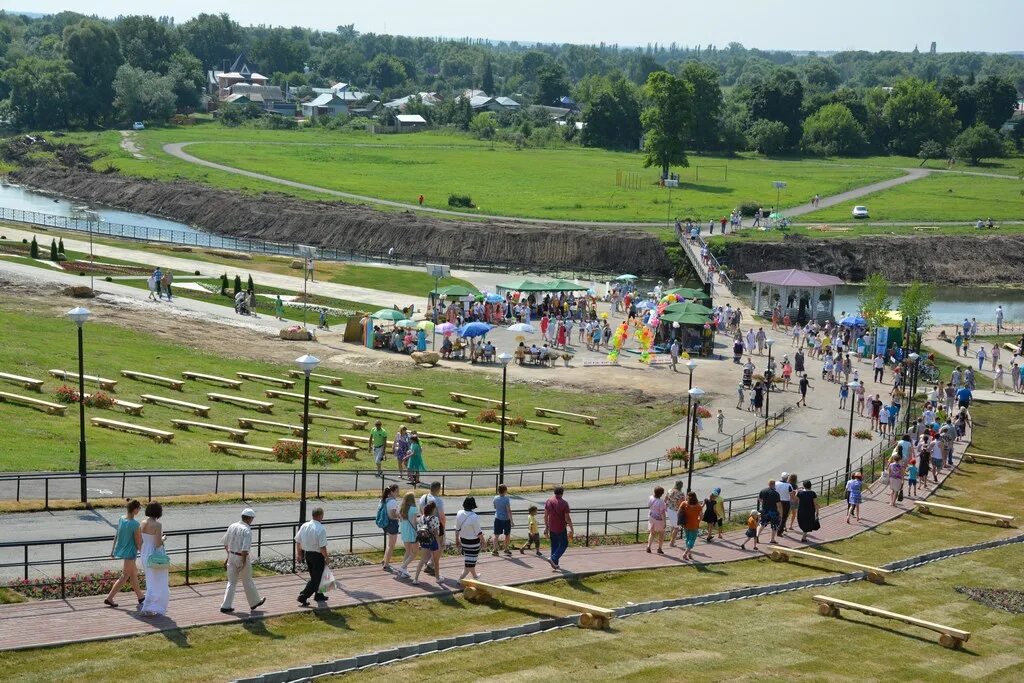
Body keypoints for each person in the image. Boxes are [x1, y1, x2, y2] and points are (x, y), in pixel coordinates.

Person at [219, 508, 266, 614]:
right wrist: (243, 561)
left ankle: (225, 605)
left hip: (231, 555)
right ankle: (254, 602)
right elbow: (245, 549)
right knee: (247, 580)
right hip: (241, 556)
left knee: (231, 582)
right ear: (249, 518)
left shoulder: (232, 526)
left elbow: (225, 543)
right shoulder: (246, 529)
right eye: (252, 518)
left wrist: (228, 556)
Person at [104, 499, 145, 608]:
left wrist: (112, 550)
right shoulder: (135, 524)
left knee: (133, 573)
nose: (139, 510)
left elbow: (117, 535)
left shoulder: (121, 519)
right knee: (125, 575)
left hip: (124, 551)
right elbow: (138, 541)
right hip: (131, 553)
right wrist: (144, 552)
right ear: (135, 509)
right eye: (139, 508)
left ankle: (141, 597)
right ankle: (110, 598)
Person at [138, 501, 169, 617]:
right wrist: (163, 538)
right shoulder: (157, 525)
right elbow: (157, 543)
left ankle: (149, 606)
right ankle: (150, 606)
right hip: (155, 554)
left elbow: (141, 540)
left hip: (145, 552)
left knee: (150, 579)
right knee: (159, 581)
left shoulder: (143, 522)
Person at [295, 507, 329, 607]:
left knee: (315, 576)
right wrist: (326, 557)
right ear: (321, 516)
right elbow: (322, 547)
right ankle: (303, 596)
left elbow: (298, 541)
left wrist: (299, 554)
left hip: (308, 554)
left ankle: (319, 594)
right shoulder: (320, 528)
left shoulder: (304, 525)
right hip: (317, 556)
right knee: (316, 579)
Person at [413, 501, 444, 585]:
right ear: (433, 509)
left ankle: (415, 578)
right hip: (433, 541)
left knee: (422, 559)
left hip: (424, 540)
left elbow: (419, 528)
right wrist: (438, 544)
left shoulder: (421, 517)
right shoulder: (434, 518)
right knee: (436, 560)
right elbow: (436, 533)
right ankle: (437, 578)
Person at [455, 496, 485, 581]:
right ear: (473, 505)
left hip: (463, 541)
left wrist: (457, 540)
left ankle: (475, 576)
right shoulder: (474, 516)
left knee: (469, 560)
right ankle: (460, 580)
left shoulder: (459, 513)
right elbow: (478, 532)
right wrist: (483, 541)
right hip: (473, 543)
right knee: (470, 563)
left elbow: (457, 529)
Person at [544, 486, 573, 572]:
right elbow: (567, 518)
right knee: (564, 544)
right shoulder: (564, 503)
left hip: (551, 527)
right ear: (562, 493)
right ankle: (553, 558)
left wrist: (546, 526)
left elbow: (545, 515)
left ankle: (555, 563)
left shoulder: (549, 501)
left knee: (555, 544)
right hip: (560, 527)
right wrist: (571, 528)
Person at [396, 492, 420, 579]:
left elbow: (401, 519)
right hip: (411, 532)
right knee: (415, 552)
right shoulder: (413, 508)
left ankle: (404, 571)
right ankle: (402, 567)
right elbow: (414, 522)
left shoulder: (402, 508)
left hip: (404, 531)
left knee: (408, 551)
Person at [380, 484, 401, 572]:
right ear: (392, 492)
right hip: (392, 524)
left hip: (385, 524)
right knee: (391, 545)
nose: (398, 493)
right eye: (397, 491)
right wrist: (399, 516)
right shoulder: (393, 502)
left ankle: (385, 560)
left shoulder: (383, 500)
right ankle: (386, 564)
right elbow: (392, 515)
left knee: (389, 544)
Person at [757, 479, 783, 544]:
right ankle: (772, 539)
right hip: (773, 512)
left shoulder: (763, 491)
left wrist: (765, 502)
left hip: (764, 510)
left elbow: (759, 499)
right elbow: (779, 505)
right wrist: (781, 514)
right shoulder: (776, 493)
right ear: (773, 485)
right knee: (774, 525)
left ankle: (757, 535)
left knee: (762, 524)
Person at [678, 492, 702, 560]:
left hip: (686, 524)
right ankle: (685, 553)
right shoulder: (698, 506)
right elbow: (701, 516)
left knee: (687, 539)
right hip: (694, 525)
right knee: (692, 540)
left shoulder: (684, 503)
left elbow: (679, 512)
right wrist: (698, 521)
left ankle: (689, 553)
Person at [492, 484, 514, 556]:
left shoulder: (495, 498)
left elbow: (495, 507)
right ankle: (506, 549)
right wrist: (512, 521)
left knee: (496, 535)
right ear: (505, 491)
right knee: (507, 534)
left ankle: (495, 550)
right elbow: (508, 510)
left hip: (497, 518)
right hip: (506, 519)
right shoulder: (506, 499)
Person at [646, 486, 667, 554]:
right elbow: (663, 513)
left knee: (652, 532)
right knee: (661, 533)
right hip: (658, 519)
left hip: (651, 516)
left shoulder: (650, 498)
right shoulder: (661, 502)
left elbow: (649, 506)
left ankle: (648, 547)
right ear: (661, 494)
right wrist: (665, 522)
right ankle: (659, 548)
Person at [665, 481, 685, 547]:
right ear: (681, 486)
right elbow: (682, 504)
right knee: (676, 527)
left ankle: (672, 539)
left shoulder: (670, 490)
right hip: (676, 511)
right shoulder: (681, 494)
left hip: (669, 509)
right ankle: (672, 542)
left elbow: (665, 499)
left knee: (673, 525)